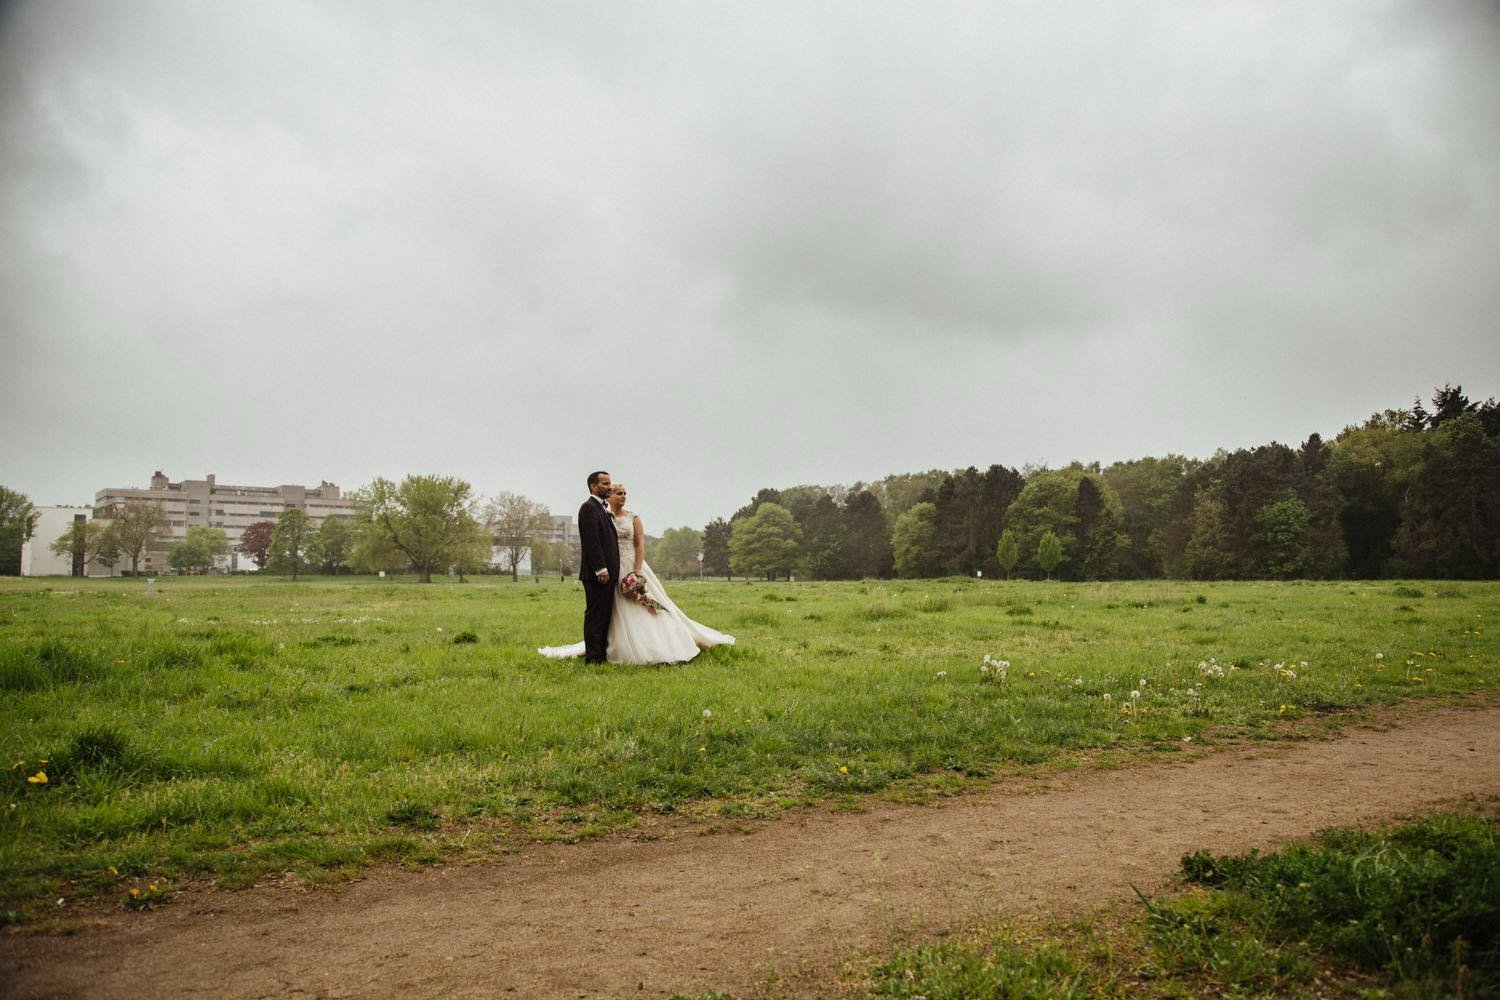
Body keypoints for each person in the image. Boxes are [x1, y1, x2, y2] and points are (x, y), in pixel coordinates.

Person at [540, 482, 734, 664]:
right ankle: (614, 645)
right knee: (615, 608)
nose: (623, 497)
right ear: (610, 495)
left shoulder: (633, 517)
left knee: (645, 603)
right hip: (612, 567)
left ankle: (656, 644)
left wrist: (637, 570)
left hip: (632, 564)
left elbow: (640, 544)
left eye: (625, 494)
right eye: (618, 493)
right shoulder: (604, 515)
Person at [576, 470, 619, 664]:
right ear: (593, 486)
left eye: (609, 483)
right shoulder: (588, 508)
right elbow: (591, 541)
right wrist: (600, 568)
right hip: (597, 575)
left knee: (604, 615)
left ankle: (601, 653)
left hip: (608, 575)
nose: (609, 486)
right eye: (604, 483)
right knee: (595, 616)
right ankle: (593, 657)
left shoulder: (603, 508)